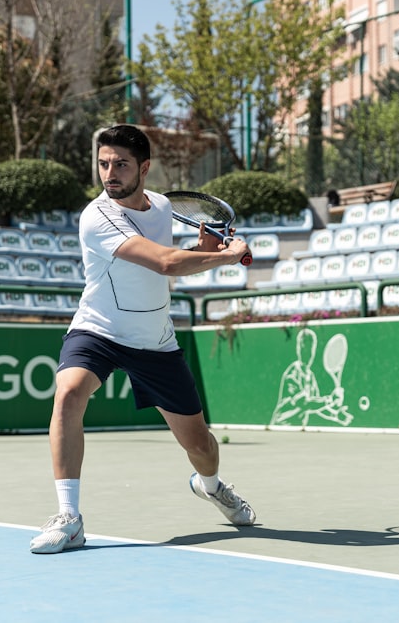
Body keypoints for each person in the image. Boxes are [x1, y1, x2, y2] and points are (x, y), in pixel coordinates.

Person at [30, 124, 256, 554]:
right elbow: (167, 265)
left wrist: (205, 246)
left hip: (155, 340)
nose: (109, 173)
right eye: (103, 163)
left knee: (202, 446)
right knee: (69, 394)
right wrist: (225, 256)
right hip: (98, 329)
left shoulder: (164, 207)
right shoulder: (97, 216)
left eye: (120, 164)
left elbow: (176, 261)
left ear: (144, 167)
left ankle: (210, 487)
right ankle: (69, 517)